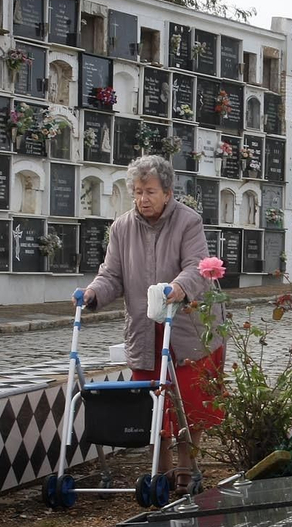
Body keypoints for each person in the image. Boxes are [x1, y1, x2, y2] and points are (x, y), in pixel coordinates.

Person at [82, 155, 223, 489]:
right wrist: (93, 293)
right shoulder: (121, 228)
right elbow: (111, 275)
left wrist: (179, 288)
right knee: (151, 403)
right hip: (146, 329)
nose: (142, 199)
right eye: (137, 192)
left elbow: (196, 265)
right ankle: (161, 469)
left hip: (187, 326)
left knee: (190, 401)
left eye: (150, 192)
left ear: (167, 193)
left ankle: (187, 467)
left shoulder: (188, 221)